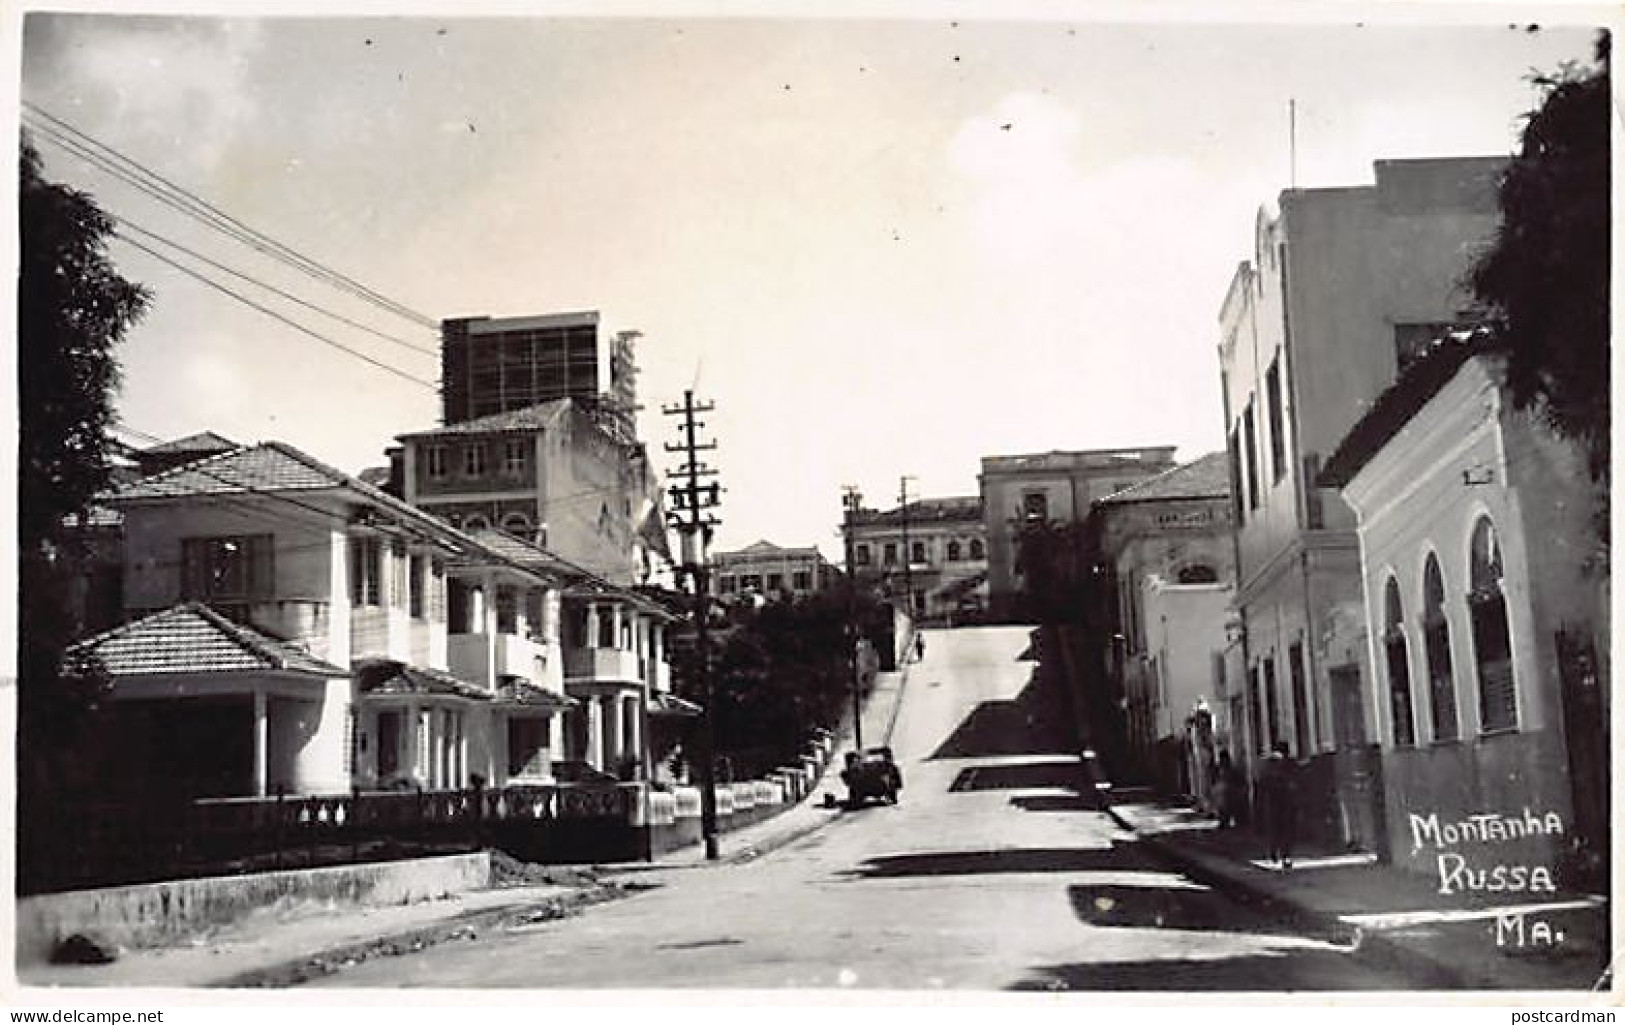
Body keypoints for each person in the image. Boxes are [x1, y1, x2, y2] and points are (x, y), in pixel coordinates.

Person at [1259, 742, 1299, 869]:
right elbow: (1296, 780)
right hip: (1284, 801)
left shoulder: (1269, 764)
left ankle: (1275, 851)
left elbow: (1262, 783)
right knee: (1286, 829)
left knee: (1276, 828)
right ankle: (1285, 855)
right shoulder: (1289, 764)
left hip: (1274, 801)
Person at [1211, 750, 1242, 829]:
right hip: (1220, 791)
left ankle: (1228, 820)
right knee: (1221, 807)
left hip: (1229, 791)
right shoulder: (1218, 768)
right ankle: (1223, 821)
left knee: (1228, 807)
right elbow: (1213, 778)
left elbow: (1238, 780)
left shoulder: (1231, 769)